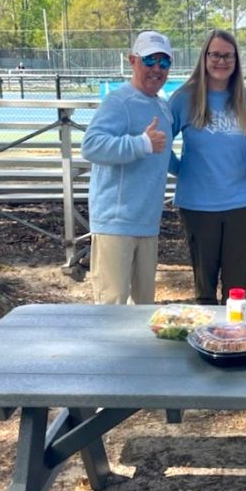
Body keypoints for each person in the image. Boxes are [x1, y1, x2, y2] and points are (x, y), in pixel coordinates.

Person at [81, 31, 175, 305]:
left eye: (164, 62)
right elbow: (92, 146)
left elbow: (163, 155)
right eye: (149, 60)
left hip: (148, 224)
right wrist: (140, 144)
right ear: (133, 61)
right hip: (115, 224)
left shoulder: (163, 107)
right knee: (112, 306)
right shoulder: (118, 101)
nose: (157, 69)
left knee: (144, 307)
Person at [169, 29, 246, 305]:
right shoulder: (184, 98)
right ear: (204, 58)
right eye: (215, 55)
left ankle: (235, 341)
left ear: (236, 60)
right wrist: (181, 170)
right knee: (205, 292)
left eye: (228, 55)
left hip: (240, 205)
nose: (221, 61)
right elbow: (160, 146)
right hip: (198, 207)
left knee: (236, 292)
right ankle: (209, 343)